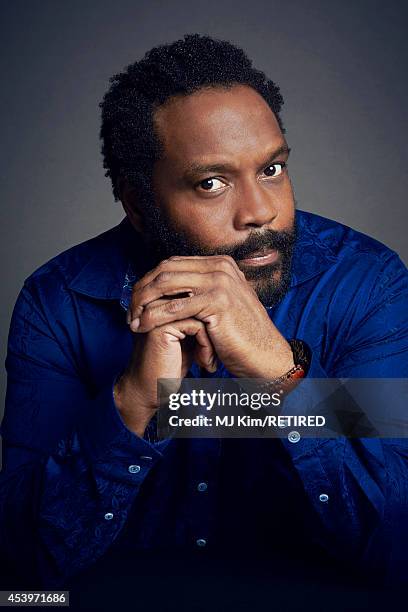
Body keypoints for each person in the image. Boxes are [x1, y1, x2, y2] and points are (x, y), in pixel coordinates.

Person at [1, 33, 407, 596]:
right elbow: (22, 570)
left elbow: (398, 551)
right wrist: (134, 403)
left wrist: (279, 374)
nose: (261, 212)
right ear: (139, 204)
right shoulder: (60, 302)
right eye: (211, 183)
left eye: (272, 169)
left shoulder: (365, 284)